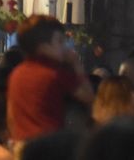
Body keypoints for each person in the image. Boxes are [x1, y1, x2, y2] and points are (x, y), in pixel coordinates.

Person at [6, 14, 93, 145]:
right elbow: (88, 97)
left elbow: (10, 116)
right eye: (59, 41)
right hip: (48, 147)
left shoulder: (17, 73)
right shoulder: (54, 73)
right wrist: (76, 64)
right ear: (43, 47)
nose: (65, 47)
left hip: (20, 144)